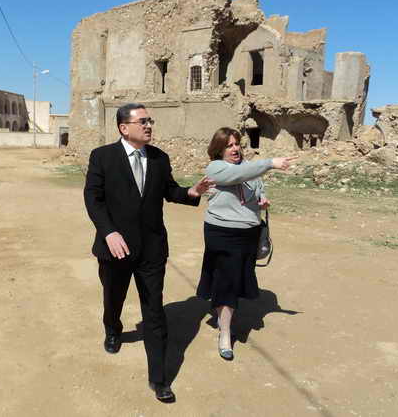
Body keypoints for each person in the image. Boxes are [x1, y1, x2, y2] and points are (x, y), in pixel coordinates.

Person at [83, 103, 213, 403]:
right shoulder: (102, 156)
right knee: (113, 298)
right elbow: (93, 198)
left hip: (152, 249)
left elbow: (169, 190)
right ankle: (113, 329)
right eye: (142, 121)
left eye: (149, 121)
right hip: (114, 249)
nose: (148, 125)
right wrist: (109, 232)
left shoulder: (159, 158)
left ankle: (159, 379)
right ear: (123, 127)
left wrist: (191, 192)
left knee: (154, 311)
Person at [197, 127, 296, 361]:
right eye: (229, 145)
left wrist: (262, 200)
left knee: (236, 279)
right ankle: (225, 334)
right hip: (222, 232)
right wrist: (270, 163)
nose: (235, 149)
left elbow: (257, 188)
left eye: (237, 144)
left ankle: (223, 313)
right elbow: (237, 176)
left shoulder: (250, 168)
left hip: (248, 234)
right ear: (219, 149)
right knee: (227, 282)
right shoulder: (215, 168)